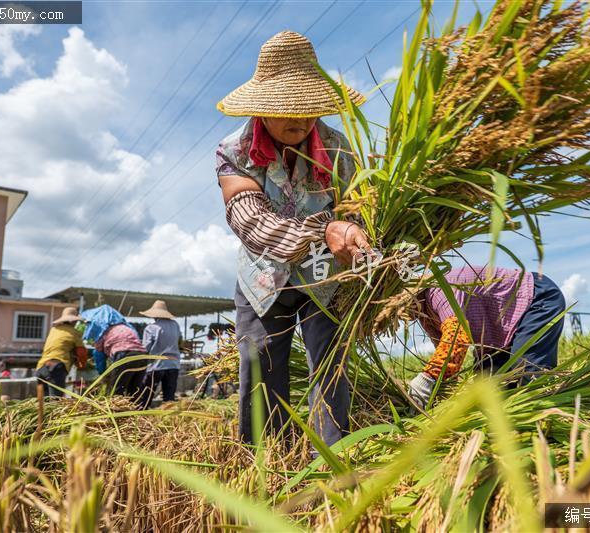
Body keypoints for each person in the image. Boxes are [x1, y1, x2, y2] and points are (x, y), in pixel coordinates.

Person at [215, 31, 372, 446]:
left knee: (331, 369)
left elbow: (355, 210)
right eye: (287, 109)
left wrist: (354, 227)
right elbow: (251, 221)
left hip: (325, 277)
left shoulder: (340, 149)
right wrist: (323, 228)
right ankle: (265, 465)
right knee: (259, 368)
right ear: (262, 108)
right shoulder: (234, 152)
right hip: (263, 278)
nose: (299, 120)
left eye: (308, 110)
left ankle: (333, 462)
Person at [408, 265, 566, 409]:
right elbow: (446, 352)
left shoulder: (438, 289)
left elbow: (457, 338)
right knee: (487, 392)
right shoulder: (424, 314)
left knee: (529, 373)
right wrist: (440, 392)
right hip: (497, 337)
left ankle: (547, 419)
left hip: (537, 299)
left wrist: (427, 379)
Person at [81, 304, 148, 403]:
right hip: (142, 356)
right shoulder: (126, 327)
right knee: (134, 391)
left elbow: (99, 357)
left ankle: (115, 415)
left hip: (124, 356)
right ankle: (135, 414)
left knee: (117, 390)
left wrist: (103, 374)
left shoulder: (103, 332)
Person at [137, 300, 181, 409]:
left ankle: (142, 416)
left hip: (156, 366)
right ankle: (169, 419)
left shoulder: (151, 328)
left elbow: (145, 348)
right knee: (169, 398)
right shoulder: (175, 325)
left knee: (146, 396)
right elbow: (179, 342)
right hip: (173, 364)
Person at [35, 307, 88, 397]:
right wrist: (82, 365)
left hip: (41, 368)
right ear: (73, 321)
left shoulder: (54, 330)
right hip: (55, 368)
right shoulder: (74, 333)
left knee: (43, 402)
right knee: (55, 401)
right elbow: (81, 353)